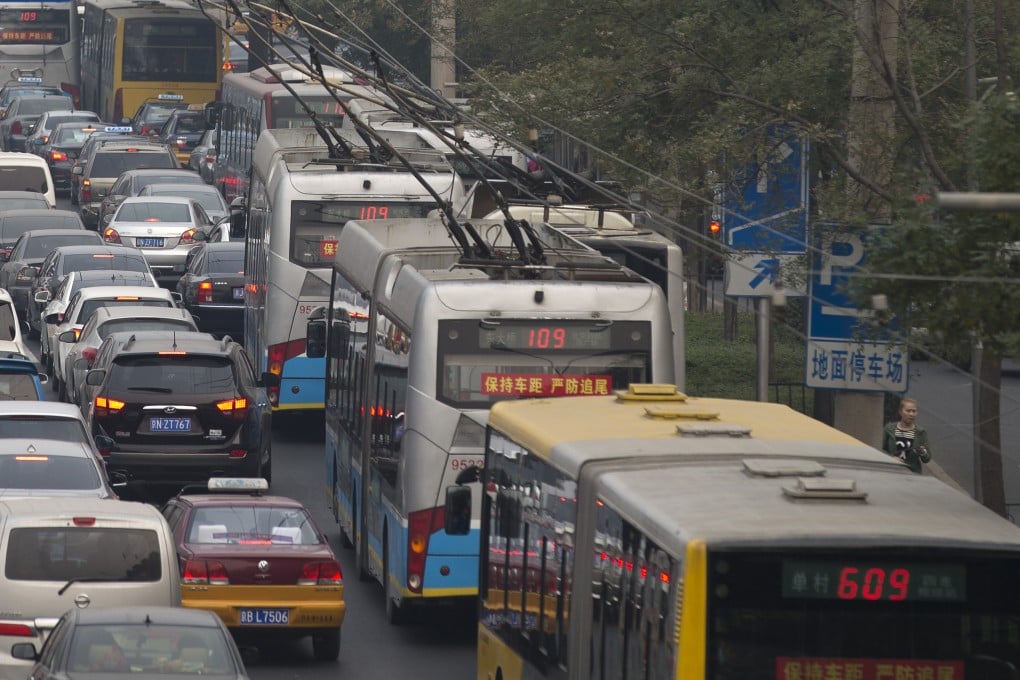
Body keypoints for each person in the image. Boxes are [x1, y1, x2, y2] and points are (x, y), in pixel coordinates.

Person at [883, 396, 932, 474]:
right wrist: (891, 458)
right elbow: (879, 449)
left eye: (914, 411)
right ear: (900, 412)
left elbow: (927, 459)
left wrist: (922, 452)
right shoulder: (889, 429)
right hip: (892, 471)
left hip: (913, 473)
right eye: (908, 411)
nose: (911, 414)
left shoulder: (920, 432)